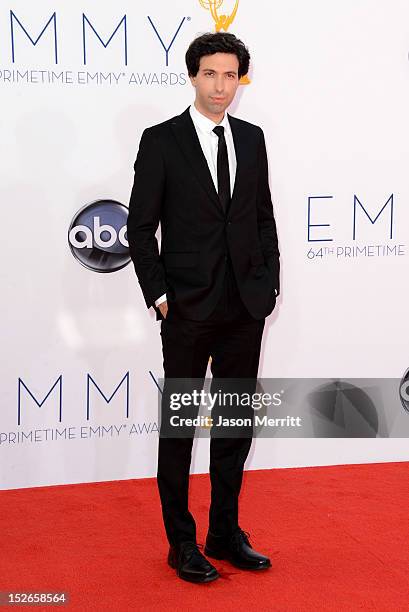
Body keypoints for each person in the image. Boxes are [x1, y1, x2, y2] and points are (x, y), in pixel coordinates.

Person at [127, 32, 280, 584]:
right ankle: (182, 543)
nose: (221, 86)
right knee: (181, 428)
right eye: (211, 74)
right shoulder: (162, 141)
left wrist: (270, 282)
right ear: (192, 76)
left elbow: (262, 216)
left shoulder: (253, 138)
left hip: (245, 306)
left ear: (241, 79)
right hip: (187, 309)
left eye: (230, 75)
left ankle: (223, 532)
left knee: (235, 426)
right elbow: (140, 228)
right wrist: (161, 297)